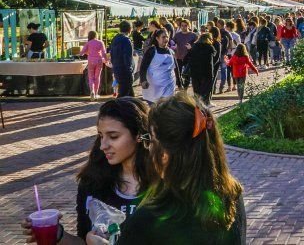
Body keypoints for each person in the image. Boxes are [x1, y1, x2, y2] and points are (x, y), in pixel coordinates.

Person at [104, 93, 246, 244]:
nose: (148, 149)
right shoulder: (232, 196)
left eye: (151, 141)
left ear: (164, 154)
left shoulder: (151, 218)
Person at [22, 98, 154, 244]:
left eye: (113, 136)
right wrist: (57, 233)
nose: (103, 145)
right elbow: (83, 239)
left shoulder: (165, 183)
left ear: (138, 135)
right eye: (101, 135)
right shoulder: (92, 183)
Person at [139, 29, 180, 104]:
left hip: (169, 85)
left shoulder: (171, 52)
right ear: (157, 39)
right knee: (155, 108)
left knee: (167, 107)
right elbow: (143, 67)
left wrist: (180, 84)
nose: (166, 39)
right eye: (163, 37)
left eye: (167, 37)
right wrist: (143, 80)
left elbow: (176, 68)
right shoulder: (151, 51)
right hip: (154, 87)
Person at [185, 32, 219, 105]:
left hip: (195, 72)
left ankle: (197, 105)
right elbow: (215, 54)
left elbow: (188, 57)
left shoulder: (194, 47)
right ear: (208, 39)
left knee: (197, 90)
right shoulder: (209, 47)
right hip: (207, 72)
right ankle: (204, 104)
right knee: (205, 90)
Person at [110, 21, 135, 98]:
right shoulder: (126, 40)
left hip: (117, 69)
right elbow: (127, 57)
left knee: (129, 95)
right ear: (130, 29)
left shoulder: (115, 38)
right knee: (124, 94)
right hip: (125, 71)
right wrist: (130, 70)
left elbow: (112, 54)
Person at [80, 31, 108, 99]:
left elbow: (81, 53)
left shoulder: (88, 43)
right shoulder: (100, 42)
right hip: (99, 60)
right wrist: (106, 60)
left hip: (91, 61)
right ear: (96, 35)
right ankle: (96, 93)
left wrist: (88, 52)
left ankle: (92, 91)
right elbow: (104, 53)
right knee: (97, 77)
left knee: (90, 77)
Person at [172, 19, 197, 89]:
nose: (183, 27)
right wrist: (173, 49)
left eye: (185, 26)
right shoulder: (177, 35)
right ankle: (180, 86)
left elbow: (197, 45)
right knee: (178, 73)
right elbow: (172, 43)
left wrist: (191, 47)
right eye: (182, 26)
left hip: (188, 57)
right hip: (178, 56)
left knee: (187, 74)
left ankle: (185, 87)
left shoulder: (193, 35)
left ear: (188, 26)